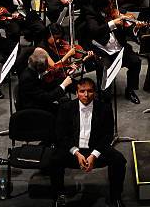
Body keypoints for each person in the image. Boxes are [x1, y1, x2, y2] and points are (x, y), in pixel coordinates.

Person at [52, 78, 127, 207]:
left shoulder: (104, 108)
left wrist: (94, 155)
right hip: (74, 150)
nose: (86, 95)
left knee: (119, 160)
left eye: (90, 91)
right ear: (76, 93)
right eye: (82, 91)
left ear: (95, 92)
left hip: (96, 148)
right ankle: (59, 195)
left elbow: (108, 135)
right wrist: (77, 153)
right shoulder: (66, 108)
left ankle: (116, 196)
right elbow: (61, 135)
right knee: (54, 160)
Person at [75, 0, 142, 104]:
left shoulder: (115, 11)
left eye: (112, 4)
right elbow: (94, 30)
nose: (112, 8)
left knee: (136, 61)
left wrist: (135, 28)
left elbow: (127, 31)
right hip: (102, 50)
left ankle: (130, 90)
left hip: (119, 47)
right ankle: (104, 95)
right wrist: (112, 23)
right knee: (105, 69)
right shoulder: (91, 13)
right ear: (100, 6)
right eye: (108, 6)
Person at [17, 47, 72, 113]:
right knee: (64, 110)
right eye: (47, 65)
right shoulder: (28, 78)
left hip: (38, 101)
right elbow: (47, 98)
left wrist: (62, 81)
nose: (48, 68)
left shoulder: (32, 70)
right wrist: (63, 85)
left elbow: (45, 86)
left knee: (65, 103)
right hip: (33, 109)